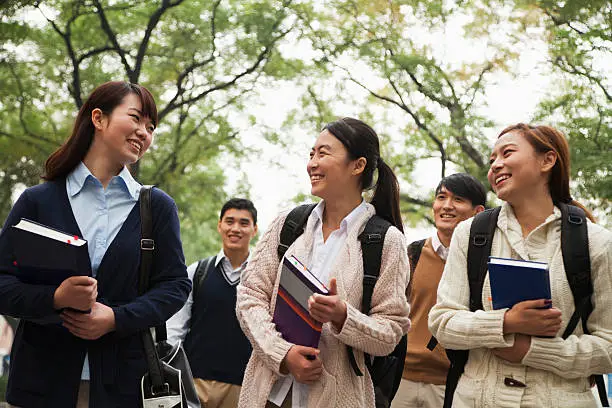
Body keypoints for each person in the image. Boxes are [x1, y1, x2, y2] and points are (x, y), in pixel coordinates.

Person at [0, 81, 191, 407]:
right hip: (42, 382)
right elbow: (3, 282)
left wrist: (117, 318)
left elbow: (174, 285)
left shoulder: (156, 207)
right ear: (98, 118)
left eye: (151, 126)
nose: (144, 132)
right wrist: (55, 298)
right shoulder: (37, 201)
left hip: (125, 385)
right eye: (136, 118)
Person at [428, 123, 612, 407]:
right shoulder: (471, 233)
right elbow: (442, 322)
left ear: (547, 161)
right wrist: (505, 323)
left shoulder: (596, 242)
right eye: (492, 160)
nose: (496, 166)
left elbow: (608, 347)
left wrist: (532, 350)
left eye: (507, 153)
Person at [235, 117, 411, 408]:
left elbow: (391, 332)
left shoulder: (385, 241)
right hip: (267, 395)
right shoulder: (289, 225)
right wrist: (283, 353)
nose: (312, 163)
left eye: (324, 153)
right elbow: (249, 297)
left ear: (358, 165)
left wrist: (344, 316)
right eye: (311, 154)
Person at [392, 173, 486, 408]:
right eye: (441, 197)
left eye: (458, 200)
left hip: (453, 383)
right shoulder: (410, 254)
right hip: (401, 378)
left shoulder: (484, 265)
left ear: (478, 212)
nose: (446, 206)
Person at [167, 198, 258, 408]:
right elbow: (175, 331)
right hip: (195, 384)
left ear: (254, 230)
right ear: (220, 225)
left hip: (244, 386)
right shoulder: (197, 272)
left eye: (244, 223)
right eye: (229, 221)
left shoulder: (262, 277)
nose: (235, 228)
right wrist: (173, 376)